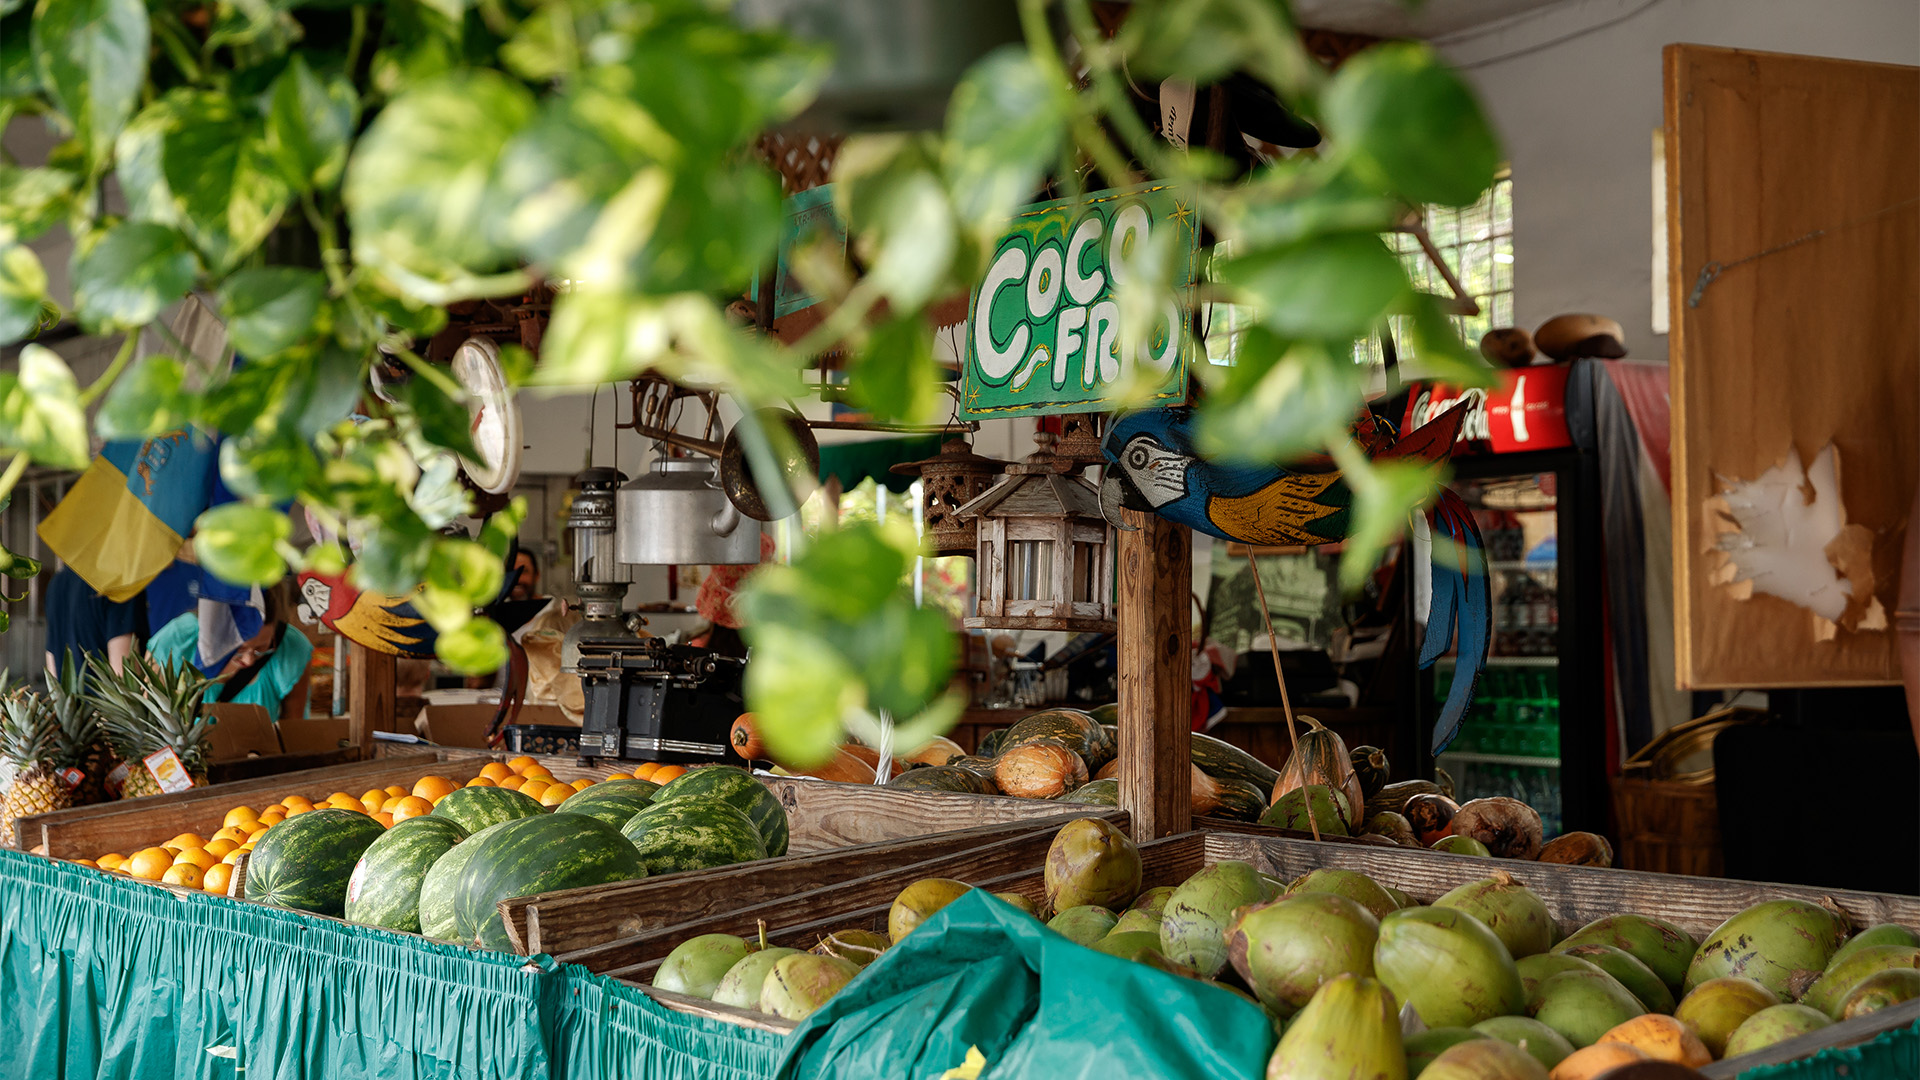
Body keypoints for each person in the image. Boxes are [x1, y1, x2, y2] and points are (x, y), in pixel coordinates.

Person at [147, 579, 314, 719]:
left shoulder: (293, 647)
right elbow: (149, 719)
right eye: (239, 649)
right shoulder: (176, 641)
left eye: (262, 648)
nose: (249, 660)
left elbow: (292, 731)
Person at [44, 566, 143, 682]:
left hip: (67, 698)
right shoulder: (119, 580)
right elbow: (125, 675)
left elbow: (51, 660)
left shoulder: (56, 583)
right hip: (104, 699)